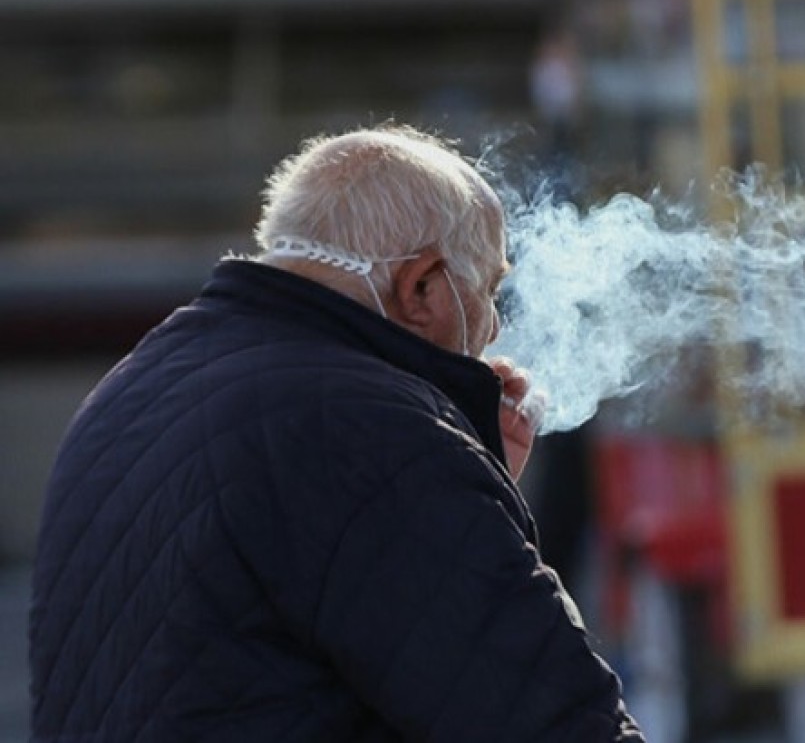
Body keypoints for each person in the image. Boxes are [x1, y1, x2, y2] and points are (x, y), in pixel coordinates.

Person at [28, 125, 645, 742]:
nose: (491, 332)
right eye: (489, 291)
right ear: (423, 288)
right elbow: (556, 722)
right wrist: (436, 466)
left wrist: (470, 478)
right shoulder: (372, 434)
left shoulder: (134, 387)